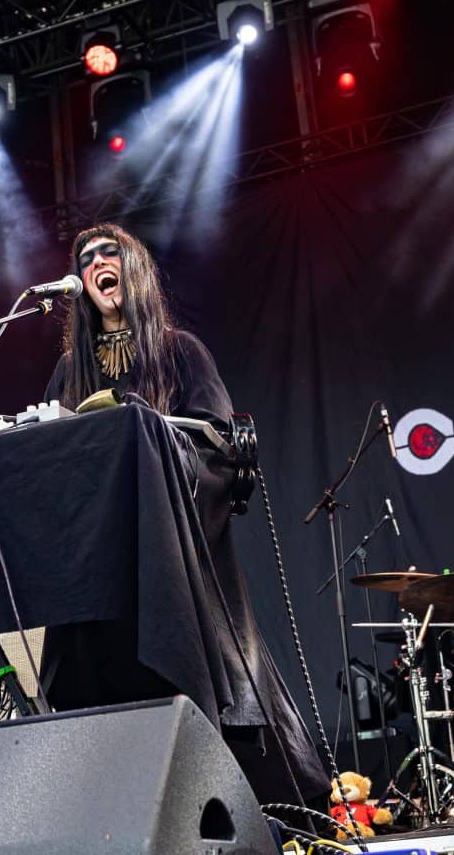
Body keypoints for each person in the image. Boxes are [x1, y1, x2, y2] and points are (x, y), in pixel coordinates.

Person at [43, 222, 329, 807]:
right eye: (86, 258)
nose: (97, 263)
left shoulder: (181, 352)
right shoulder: (69, 372)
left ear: (134, 267)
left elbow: (219, 444)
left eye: (109, 252)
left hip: (171, 553)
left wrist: (149, 444)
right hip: (97, 565)